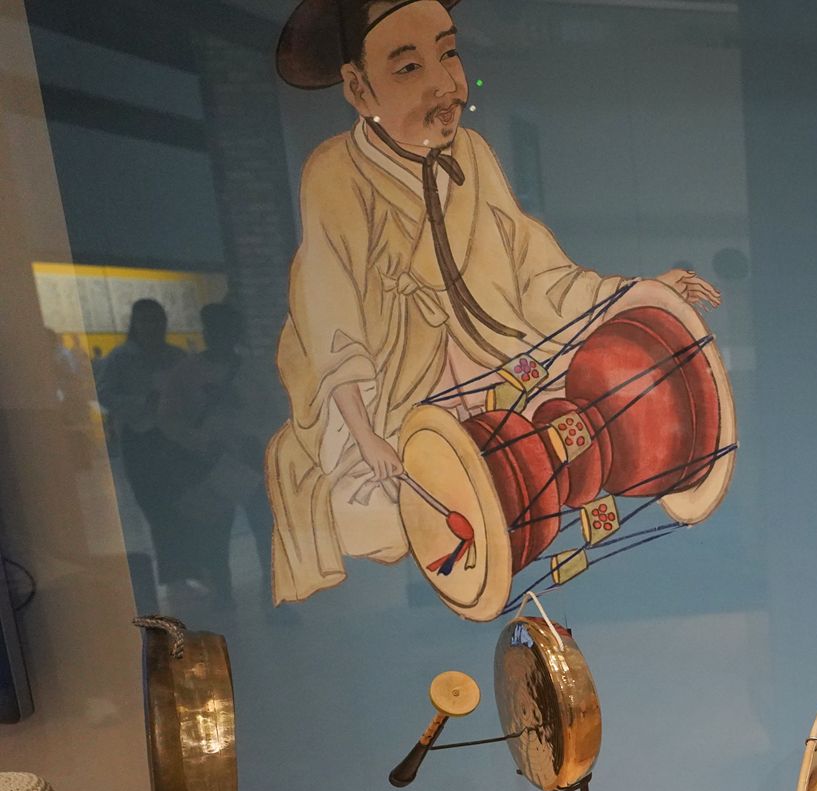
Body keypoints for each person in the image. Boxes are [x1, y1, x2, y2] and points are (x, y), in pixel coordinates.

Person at [265, 0, 718, 606]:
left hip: (499, 351)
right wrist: (365, 433)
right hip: (392, 383)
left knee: (594, 422)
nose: (443, 85)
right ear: (358, 88)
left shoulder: (473, 155)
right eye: (408, 67)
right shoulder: (333, 173)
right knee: (378, 511)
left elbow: (537, 272)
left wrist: (636, 291)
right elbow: (330, 311)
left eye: (449, 54)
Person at [160, 303, 262, 602]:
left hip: (251, 463)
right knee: (214, 534)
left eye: (226, 330)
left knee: (265, 531)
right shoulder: (185, 372)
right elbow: (169, 419)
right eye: (214, 329)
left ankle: (274, 597)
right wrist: (201, 443)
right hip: (209, 464)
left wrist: (255, 439)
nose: (220, 336)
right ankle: (222, 591)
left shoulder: (253, 370)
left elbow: (276, 410)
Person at [98, 299, 192, 587]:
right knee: (155, 506)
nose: (153, 326)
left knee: (180, 504)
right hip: (140, 440)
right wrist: (141, 402)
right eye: (146, 320)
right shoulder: (120, 358)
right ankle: (174, 573)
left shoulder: (176, 356)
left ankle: (184, 572)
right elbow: (104, 393)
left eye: (157, 319)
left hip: (175, 439)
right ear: (135, 324)